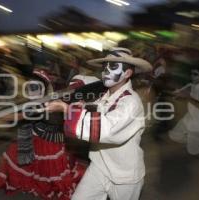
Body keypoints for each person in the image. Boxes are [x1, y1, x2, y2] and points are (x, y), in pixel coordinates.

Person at [45, 47, 152, 200]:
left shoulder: (131, 102)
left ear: (128, 73)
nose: (106, 71)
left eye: (113, 66)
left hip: (124, 175)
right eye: (105, 66)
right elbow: (95, 104)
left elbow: (107, 129)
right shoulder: (106, 94)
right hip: (99, 166)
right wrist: (77, 99)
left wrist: (67, 109)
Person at [0, 69, 89, 200]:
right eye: (29, 86)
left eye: (35, 87)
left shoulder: (49, 104)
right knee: (21, 150)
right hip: (36, 136)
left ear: (44, 89)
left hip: (50, 144)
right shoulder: (36, 101)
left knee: (50, 175)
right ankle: (28, 181)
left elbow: (17, 116)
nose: (31, 91)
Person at [169, 65, 199, 155]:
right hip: (189, 117)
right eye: (191, 73)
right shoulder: (194, 84)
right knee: (173, 136)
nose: (192, 76)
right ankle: (192, 139)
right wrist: (180, 97)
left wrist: (186, 96)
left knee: (193, 151)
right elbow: (192, 99)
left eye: (195, 74)